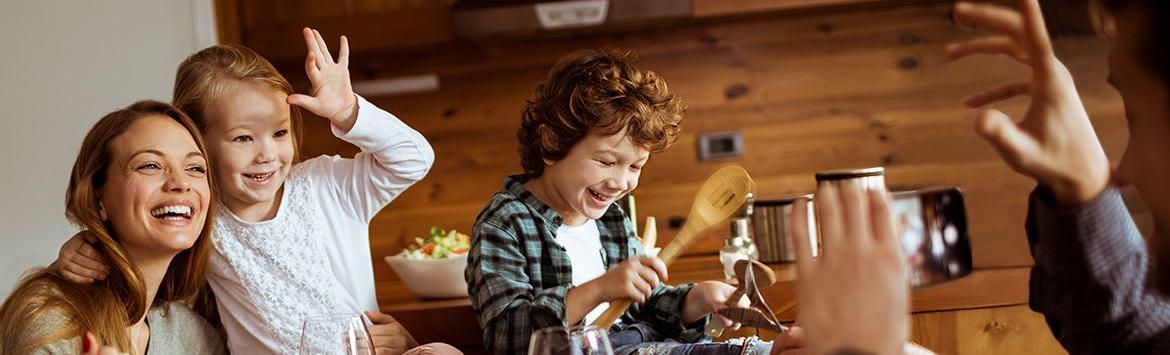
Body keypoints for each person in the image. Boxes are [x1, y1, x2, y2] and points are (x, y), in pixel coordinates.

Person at [0, 101, 226, 354]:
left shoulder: (198, 339)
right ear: (99, 200)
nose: (181, 183)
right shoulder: (52, 322)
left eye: (195, 168)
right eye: (150, 165)